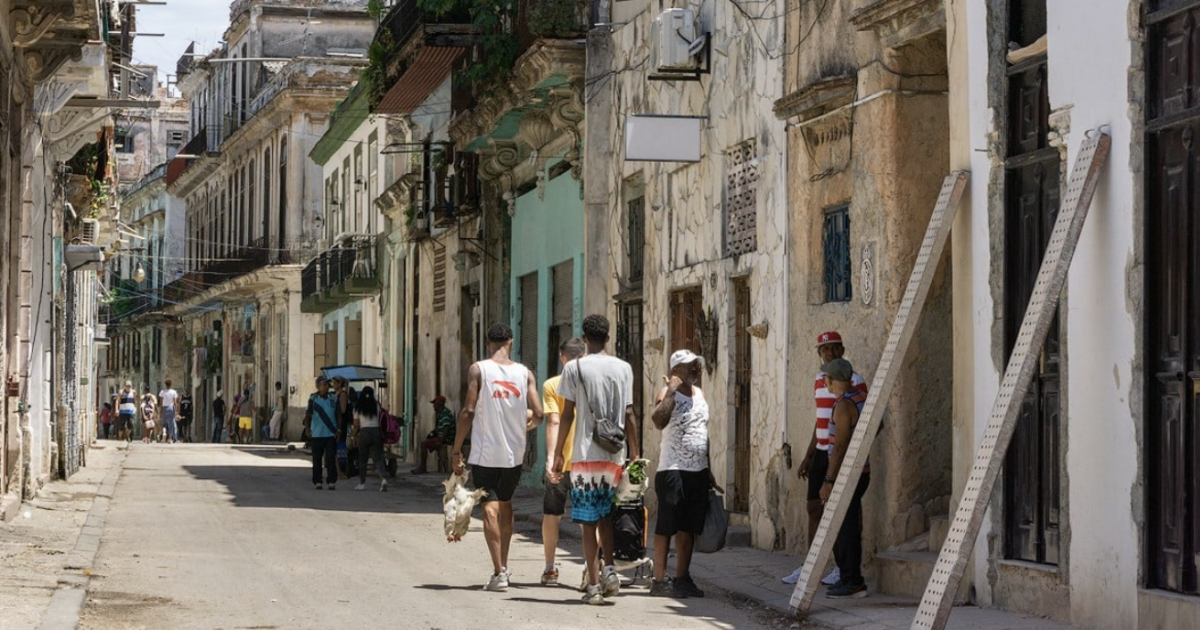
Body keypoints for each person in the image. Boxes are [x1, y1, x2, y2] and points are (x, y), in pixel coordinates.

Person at [552, 314, 641, 606]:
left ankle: (593, 584)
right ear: (609, 336)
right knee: (606, 515)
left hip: (586, 455)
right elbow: (629, 413)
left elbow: (567, 414)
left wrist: (556, 454)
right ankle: (611, 570)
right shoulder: (624, 368)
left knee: (588, 522)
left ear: (585, 338)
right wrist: (635, 452)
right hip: (615, 454)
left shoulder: (575, 367)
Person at [450, 323, 543, 592]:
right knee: (505, 504)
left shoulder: (479, 369)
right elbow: (538, 413)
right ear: (510, 342)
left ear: (489, 343)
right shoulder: (525, 373)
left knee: (489, 507)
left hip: (484, 452)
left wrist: (456, 450)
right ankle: (503, 565)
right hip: (514, 454)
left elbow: (468, 411)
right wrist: (528, 423)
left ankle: (499, 571)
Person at [784, 331, 869, 586]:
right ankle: (811, 564)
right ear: (818, 352)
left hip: (840, 454)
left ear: (842, 349)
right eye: (824, 349)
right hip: (822, 451)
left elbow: (860, 418)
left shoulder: (853, 380)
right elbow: (822, 420)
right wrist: (809, 455)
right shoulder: (820, 381)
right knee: (814, 507)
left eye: (834, 348)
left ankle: (841, 568)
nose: (829, 353)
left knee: (845, 514)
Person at [648, 349, 712, 599]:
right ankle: (659, 580)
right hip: (673, 470)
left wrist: (709, 469)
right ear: (676, 371)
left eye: (696, 365)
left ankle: (682, 578)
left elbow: (704, 433)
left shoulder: (700, 394)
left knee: (689, 527)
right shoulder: (667, 394)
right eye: (689, 366)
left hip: (698, 470)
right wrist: (672, 392)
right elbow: (658, 421)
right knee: (667, 526)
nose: (695, 369)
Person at [819, 358, 870, 598]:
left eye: (825, 378)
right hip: (860, 471)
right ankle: (848, 577)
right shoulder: (860, 398)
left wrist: (828, 481)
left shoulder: (843, 406)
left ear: (831, 380)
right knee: (847, 525)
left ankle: (852, 579)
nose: (824, 382)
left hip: (847, 474)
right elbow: (876, 424)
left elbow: (839, 445)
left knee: (845, 528)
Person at [539, 337, 586, 586]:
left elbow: (554, 422)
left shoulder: (552, 385)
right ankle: (591, 569)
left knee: (552, 514)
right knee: (587, 518)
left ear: (561, 357)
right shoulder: (593, 383)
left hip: (561, 460)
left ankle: (550, 568)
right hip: (587, 462)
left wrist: (550, 458)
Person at [304, 376, 339, 490]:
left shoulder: (333, 398)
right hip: (317, 434)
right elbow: (308, 415)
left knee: (330, 458)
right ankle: (317, 481)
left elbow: (338, 414)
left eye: (327, 385)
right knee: (317, 459)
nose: (325, 387)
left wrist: (339, 429)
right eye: (323, 385)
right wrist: (308, 429)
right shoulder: (312, 399)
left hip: (330, 434)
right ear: (318, 386)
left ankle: (331, 481)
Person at [351, 386, 389, 492]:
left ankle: (362, 483)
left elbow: (356, 425)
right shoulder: (376, 405)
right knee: (378, 458)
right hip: (376, 432)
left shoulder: (358, 407)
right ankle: (383, 479)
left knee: (362, 459)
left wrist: (354, 436)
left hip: (364, 433)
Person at [412, 395, 455, 474]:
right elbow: (439, 428)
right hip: (441, 436)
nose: (433, 406)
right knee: (427, 440)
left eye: (434, 404)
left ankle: (423, 467)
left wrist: (440, 441)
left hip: (446, 438)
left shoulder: (445, 414)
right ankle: (423, 466)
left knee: (424, 444)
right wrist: (432, 433)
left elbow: (446, 428)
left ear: (439, 404)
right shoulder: (440, 413)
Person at [159, 379, 179, 444]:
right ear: (171, 384)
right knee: (171, 424)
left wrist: (160, 411)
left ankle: (164, 434)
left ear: (165, 384)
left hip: (164, 408)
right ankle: (170, 439)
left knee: (164, 423)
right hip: (171, 408)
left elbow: (161, 402)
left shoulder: (162, 392)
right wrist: (176, 411)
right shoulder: (173, 392)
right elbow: (175, 402)